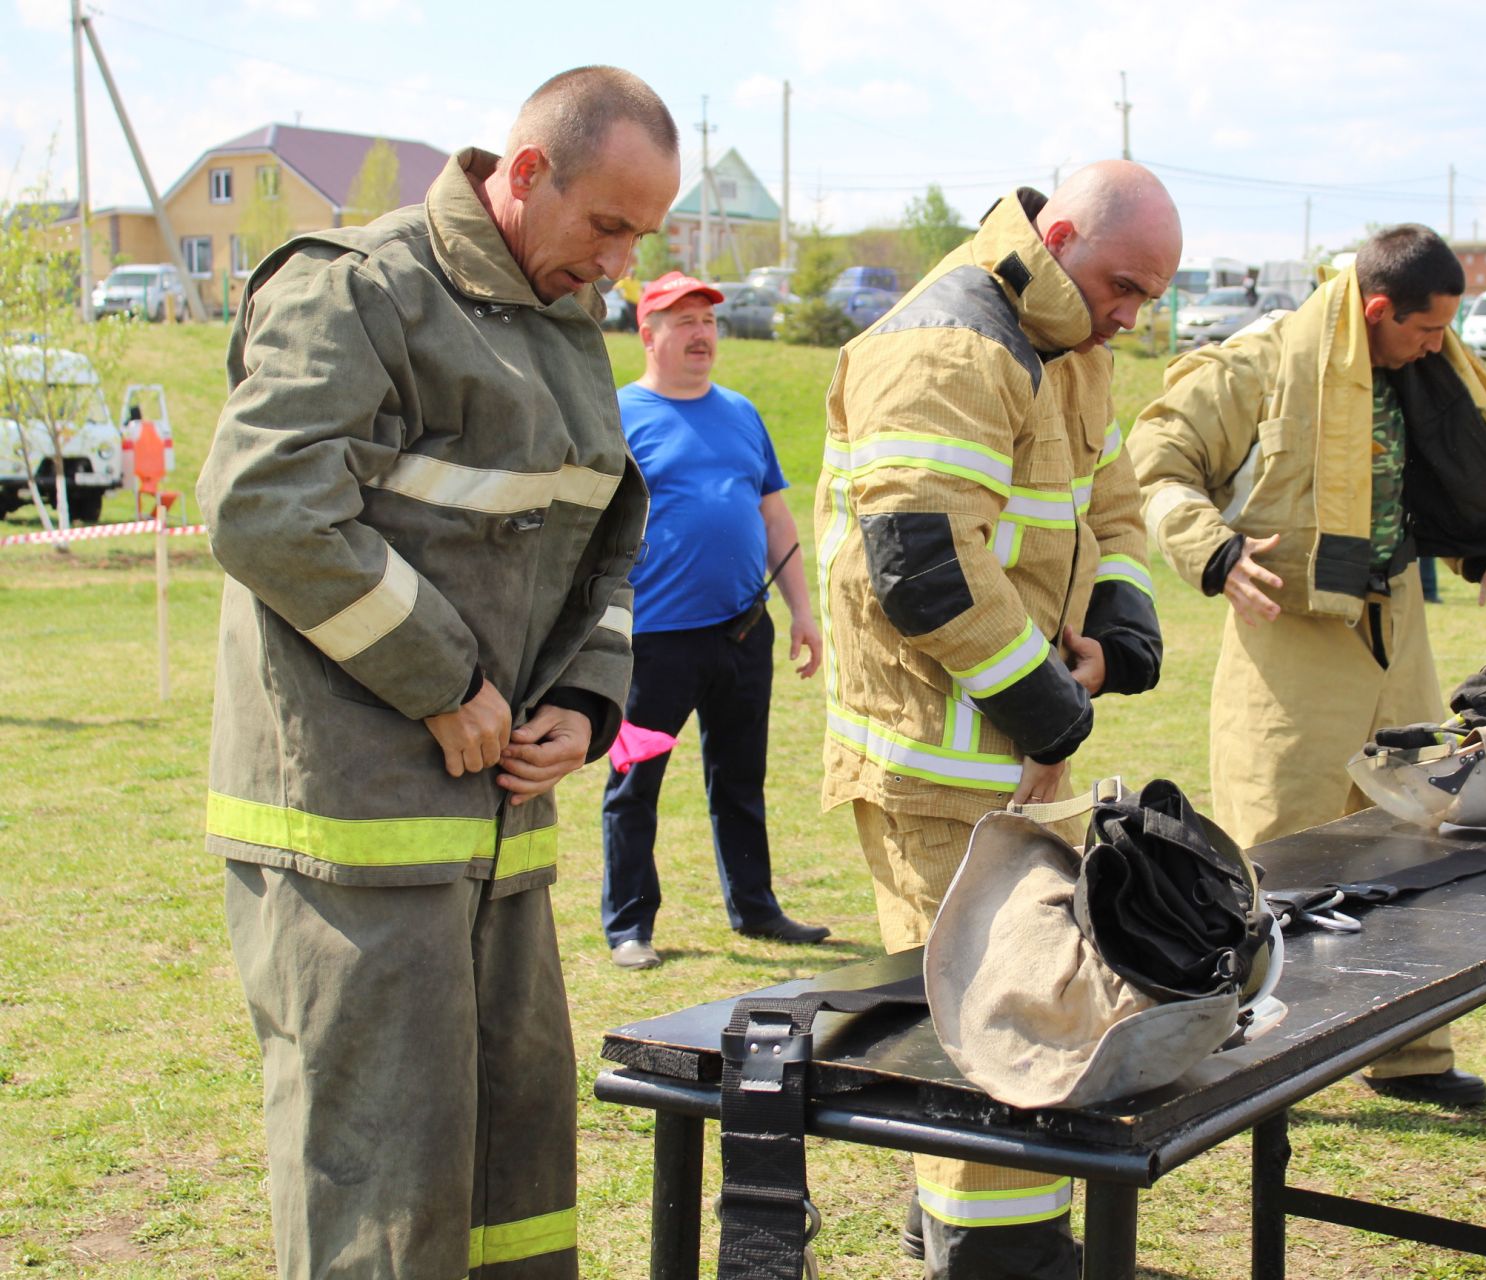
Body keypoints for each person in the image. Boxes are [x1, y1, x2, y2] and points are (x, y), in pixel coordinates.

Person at [198, 67, 678, 1278]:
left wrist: (583, 702)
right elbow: (265, 505)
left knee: (514, 1170)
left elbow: (601, 542)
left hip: (498, 838)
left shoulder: (563, 314)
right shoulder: (360, 286)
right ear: (525, 174)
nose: (619, 262)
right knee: (380, 1190)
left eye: (641, 234)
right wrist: (444, 680)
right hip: (353, 838)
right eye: (607, 224)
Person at [1128, 224, 1486, 1109]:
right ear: (1378, 308)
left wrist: (1478, 546)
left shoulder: (1423, 369)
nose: (1439, 345)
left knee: (1421, 840)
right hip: (1288, 640)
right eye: (1425, 329)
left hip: (1398, 630)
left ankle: (1413, 1055)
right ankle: (1269, 1055)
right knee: (1279, 853)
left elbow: (1424, 480)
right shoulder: (1258, 363)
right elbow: (1156, 462)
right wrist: (1215, 552)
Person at [814, 161, 1177, 1279]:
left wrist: (1118, 638)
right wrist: (1054, 708)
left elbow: (1111, 508)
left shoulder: (1072, 342)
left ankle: (981, 1240)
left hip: (1013, 756)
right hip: (936, 769)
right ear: (1057, 234)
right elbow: (922, 570)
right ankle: (992, 1257)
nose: (1132, 313)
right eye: (1122, 283)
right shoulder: (951, 344)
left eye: (1148, 296)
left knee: (1016, 1013)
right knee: (989, 1034)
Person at [600, 270, 830, 971]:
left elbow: (774, 514)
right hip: (654, 645)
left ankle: (755, 909)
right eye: (684, 321)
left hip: (741, 634)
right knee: (634, 784)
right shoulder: (618, 416)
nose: (702, 334)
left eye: (710, 322)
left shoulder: (740, 412)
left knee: (739, 778)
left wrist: (802, 610)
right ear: (649, 333)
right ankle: (629, 926)